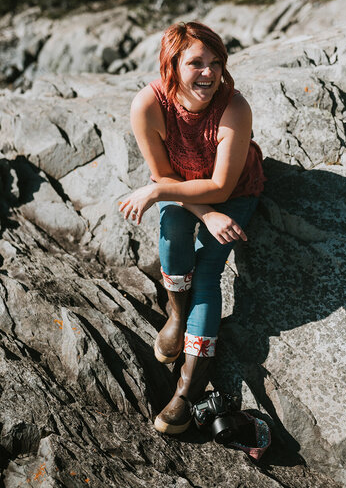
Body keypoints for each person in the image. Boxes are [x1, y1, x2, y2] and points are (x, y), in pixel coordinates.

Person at [119, 21, 265, 435]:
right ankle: (176, 316)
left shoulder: (234, 107)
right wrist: (205, 213)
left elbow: (219, 185)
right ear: (172, 63)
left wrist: (162, 193)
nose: (209, 73)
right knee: (174, 230)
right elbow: (165, 175)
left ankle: (188, 389)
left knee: (207, 275)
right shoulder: (148, 105)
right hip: (184, 187)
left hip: (236, 192)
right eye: (196, 63)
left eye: (215, 63)